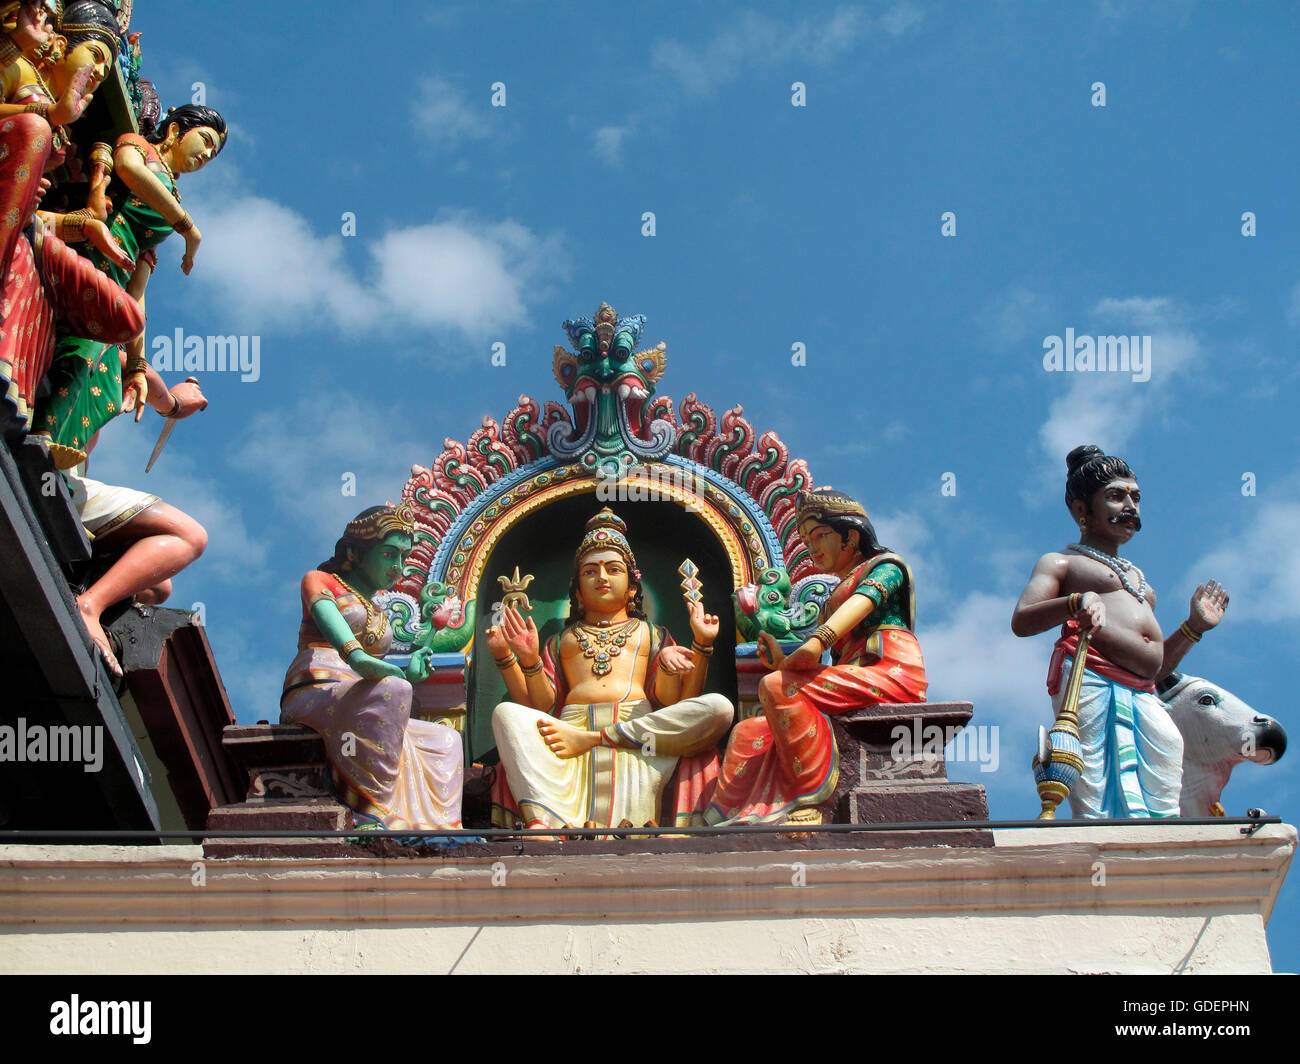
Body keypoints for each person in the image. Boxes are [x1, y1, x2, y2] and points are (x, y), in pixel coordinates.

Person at [1011, 445, 1229, 818]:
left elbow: (1153, 668)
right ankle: (1101, 839)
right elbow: (1023, 620)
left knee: (1167, 745)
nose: (1131, 506)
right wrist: (1074, 603)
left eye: (1135, 497)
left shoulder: (1141, 583)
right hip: (1091, 675)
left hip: (1141, 690)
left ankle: (1156, 844)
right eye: (1115, 496)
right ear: (1082, 510)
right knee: (1094, 764)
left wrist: (1193, 628)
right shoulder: (1062, 563)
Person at [488, 507, 733, 831]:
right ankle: (548, 822)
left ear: (632, 587)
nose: (601, 577)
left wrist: (700, 646)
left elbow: (674, 705)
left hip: (638, 734)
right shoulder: (563, 639)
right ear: (576, 590)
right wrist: (520, 658)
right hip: (567, 733)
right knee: (505, 714)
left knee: (720, 708)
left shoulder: (652, 634)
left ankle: (597, 740)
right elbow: (542, 706)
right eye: (590, 571)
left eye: (613, 569)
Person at [706, 488, 928, 826]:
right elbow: (819, 665)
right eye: (807, 540)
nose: (812, 547)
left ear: (850, 536)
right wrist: (781, 658)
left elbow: (862, 604)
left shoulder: (886, 567)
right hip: (852, 676)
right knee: (749, 730)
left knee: (779, 687)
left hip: (890, 671)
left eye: (820, 535)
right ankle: (722, 820)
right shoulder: (830, 602)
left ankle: (807, 802)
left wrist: (816, 641)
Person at [33, 102, 224, 467]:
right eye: (204, 141)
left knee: (107, 374)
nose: (206, 154)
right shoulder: (138, 148)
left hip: (115, 281)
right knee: (92, 338)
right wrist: (189, 229)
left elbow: (138, 293)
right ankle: (42, 434)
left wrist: (137, 364)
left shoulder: (171, 202)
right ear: (174, 131)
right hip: (84, 248)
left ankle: (55, 450)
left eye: (213, 154)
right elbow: (129, 169)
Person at [281, 503, 466, 832]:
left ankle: (439, 829)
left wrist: (410, 674)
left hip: (358, 695)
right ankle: (369, 811)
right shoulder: (321, 581)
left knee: (446, 740)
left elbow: (378, 676)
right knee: (394, 690)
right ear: (354, 551)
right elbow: (331, 622)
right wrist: (357, 658)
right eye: (389, 554)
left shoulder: (380, 613)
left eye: (403, 558)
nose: (398, 567)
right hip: (317, 689)